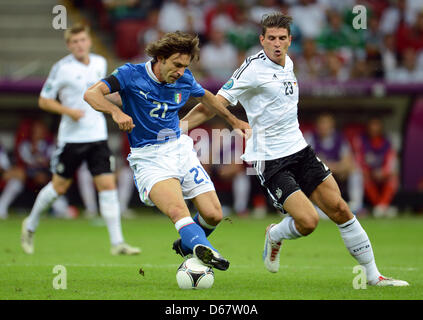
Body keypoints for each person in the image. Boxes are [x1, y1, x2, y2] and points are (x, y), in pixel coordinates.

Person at [181, 12, 409, 286]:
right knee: (309, 222)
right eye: (271, 38)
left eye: (282, 38)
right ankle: (276, 234)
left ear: (290, 41)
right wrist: (180, 126)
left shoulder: (289, 62)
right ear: (262, 40)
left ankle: (373, 276)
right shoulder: (252, 69)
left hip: (300, 150)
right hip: (270, 158)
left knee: (340, 208)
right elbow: (214, 103)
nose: (277, 44)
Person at [84, 31, 250, 270]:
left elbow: (209, 100)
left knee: (214, 214)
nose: (180, 71)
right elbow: (91, 93)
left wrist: (235, 122)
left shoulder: (184, 79)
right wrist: (116, 112)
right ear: (160, 58)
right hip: (149, 157)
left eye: (185, 66)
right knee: (177, 209)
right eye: (176, 65)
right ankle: (206, 250)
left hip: (179, 149)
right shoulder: (130, 74)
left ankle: (188, 244)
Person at [20, 24, 141, 256]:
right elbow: (44, 100)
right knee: (58, 187)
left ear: (89, 42)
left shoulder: (100, 63)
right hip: (71, 139)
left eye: (82, 40)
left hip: (97, 137)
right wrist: (69, 111)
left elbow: (107, 94)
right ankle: (31, 224)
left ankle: (117, 243)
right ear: (69, 45)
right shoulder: (61, 68)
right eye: (74, 42)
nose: (79, 45)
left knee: (107, 186)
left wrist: (125, 106)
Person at [304, 113, 364, 214]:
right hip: (317, 174)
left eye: (326, 124)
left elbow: (348, 161)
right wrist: (326, 166)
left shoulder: (339, 139)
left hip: (335, 172)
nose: (324, 126)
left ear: (332, 126)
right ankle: (311, 207)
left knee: (355, 170)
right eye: (321, 123)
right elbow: (306, 160)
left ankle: (355, 206)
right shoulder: (310, 137)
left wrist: (333, 167)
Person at [354, 117, 399, 218]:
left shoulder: (387, 141)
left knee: (393, 178)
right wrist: (369, 172)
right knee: (362, 177)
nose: (374, 128)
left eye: (377, 125)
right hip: (369, 174)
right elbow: (358, 159)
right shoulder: (361, 140)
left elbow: (391, 159)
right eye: (372, 125)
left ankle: (381, 206)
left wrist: (384, 172)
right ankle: (381, 207)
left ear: (381, 127)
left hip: (383, 174)